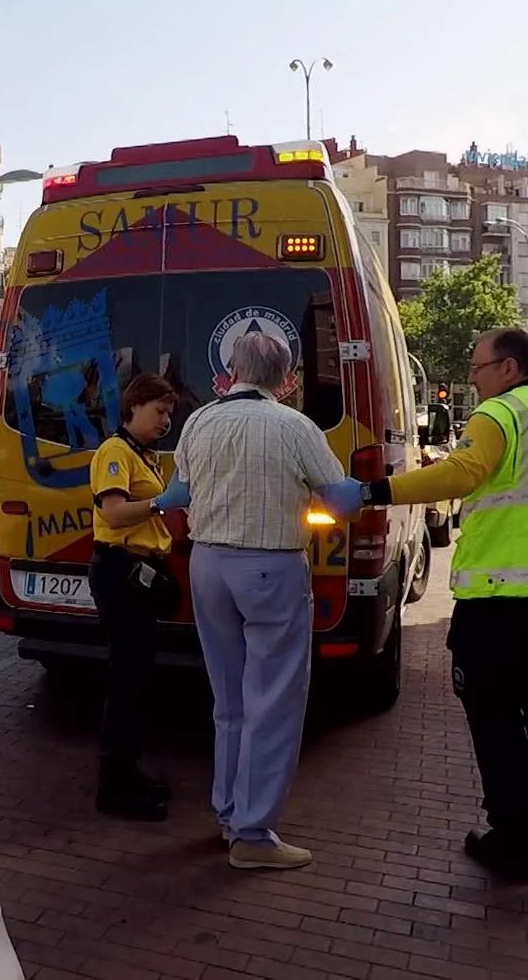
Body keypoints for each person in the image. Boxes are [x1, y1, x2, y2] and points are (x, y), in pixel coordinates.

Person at [318, 328, 528, 900]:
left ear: (507, 368)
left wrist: (372, 492)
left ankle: (511, 841)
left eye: (477, 366)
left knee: (496, 720)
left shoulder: (498, 415)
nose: (471, 377)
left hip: (504, 596)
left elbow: (461, 474)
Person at [159, 330, 347, 870]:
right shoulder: (296, 426)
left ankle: (228, 812)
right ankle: (254, 834)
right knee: (275, 701)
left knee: (229, 698)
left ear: (231, 371)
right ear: (285, 381)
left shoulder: (198, 421)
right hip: (270, 567)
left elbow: (182, 492)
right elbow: (337, 497)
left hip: (208, 565)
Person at [87, 374, 184, 822]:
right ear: (135, 405)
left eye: (170, 412)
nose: (166, 420)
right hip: (120, 572)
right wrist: (161, 503)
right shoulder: (115, 452)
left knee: (138, 678)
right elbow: (113, 512)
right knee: (126, 680)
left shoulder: (141, 454)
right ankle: (115, 788)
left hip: (138, 574)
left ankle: (129, 772)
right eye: (160, 411)